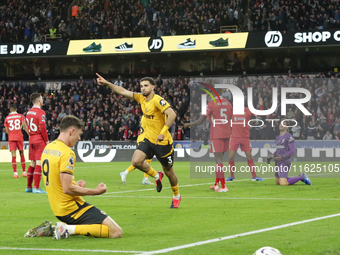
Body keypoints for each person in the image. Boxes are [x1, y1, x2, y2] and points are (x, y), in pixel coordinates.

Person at [24, 115, 122, 239]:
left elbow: (58, 182)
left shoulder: (48, 148)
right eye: (79, 134)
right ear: (72, 131)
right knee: (116, 231)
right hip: (72, 209)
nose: (79, 138)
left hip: (58, 209)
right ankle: (66, 229)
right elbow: (67, 188)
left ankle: (53, 229)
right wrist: (95, 192)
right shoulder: (67, 153)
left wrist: (76, 186)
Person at [96, 74, 181, 208]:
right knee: (136, 161)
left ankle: (176, 195)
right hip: (148, 139)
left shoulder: (158, 100)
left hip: (162, 142)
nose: (143, 88)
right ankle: (156, 176)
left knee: (169, 171)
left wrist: (162, 133)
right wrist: (107, 83)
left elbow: (172, 115)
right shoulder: (141, 98)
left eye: (146, 86)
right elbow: (123, 91)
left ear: (153, 87)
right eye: (141, 86)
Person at [184, 94, 233, 192]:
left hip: (217, 135)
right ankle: (216, 184)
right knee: (219, 160)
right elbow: (231, 117)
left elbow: (200, 121)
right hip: (227, 134)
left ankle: (223, 187)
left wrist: (189, 124)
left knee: (218, 160)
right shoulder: (228, 103)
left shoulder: (211, 104)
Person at [226, 99, 265, 181]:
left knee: (249, 156)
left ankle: (254, 176)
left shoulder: (247, 110)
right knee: (231, 157)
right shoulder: (232, 110)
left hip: (245, 137)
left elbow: (258, 114)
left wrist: (261, 106)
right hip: (234, 137)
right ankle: (231, 176)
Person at [267, 120, 311, 186]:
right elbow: (278, 150)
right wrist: (272, 156)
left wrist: (283, 157)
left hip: (284, 162)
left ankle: (302, 176)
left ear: (287, 127)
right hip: (278, 161)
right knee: (278, 182)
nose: (281, 125)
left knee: (283, 183)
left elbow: (292, 151)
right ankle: (289, 178)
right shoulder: (278, 137)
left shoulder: (289, 137)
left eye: (283, 124)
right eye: (280, 124)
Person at [25, 93, 49, 193]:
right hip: (39, 139)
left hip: (31, 139)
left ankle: (28, 187)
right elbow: (42, 127)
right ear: (39, 100)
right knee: (39, 162)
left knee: (33, 162)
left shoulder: (29, 112)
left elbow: (26, 126)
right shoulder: (41, 112)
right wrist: (47, 140)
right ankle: (36, 187)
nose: (43, 100)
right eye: (42, 98)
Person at [120, 116, 153, 185]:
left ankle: (145, 178)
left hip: (143, 139)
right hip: (144, 140)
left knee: (148, 160)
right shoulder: (147, 118)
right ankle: (125, 173)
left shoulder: (144, 117)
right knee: (139, 161)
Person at [4, 104, 29, 178]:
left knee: (13, 155)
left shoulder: (7, 118)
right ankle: (24, 172)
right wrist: (29, 134)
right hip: (19, 137)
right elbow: (24, 126)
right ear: (16, 110)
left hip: (11, 138)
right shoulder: (21, 116)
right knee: (22, 153)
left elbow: (6, 129)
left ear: (10, 110)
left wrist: (11, 134)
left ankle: (15, 173)